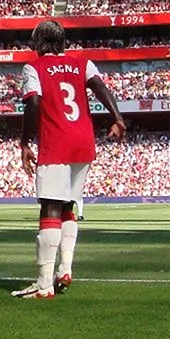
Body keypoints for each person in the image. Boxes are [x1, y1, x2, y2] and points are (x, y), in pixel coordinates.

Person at [14, 19, 126, 299]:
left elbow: (34, 103)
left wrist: (25, 142)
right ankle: (65, 268)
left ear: (38, 44)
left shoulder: (34, 67)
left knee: (50, 208)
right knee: (70, 205)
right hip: (83, 142)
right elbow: (101, 88)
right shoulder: (82, 63)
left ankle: (43, 285)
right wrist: (117, 118)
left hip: (56, 140)